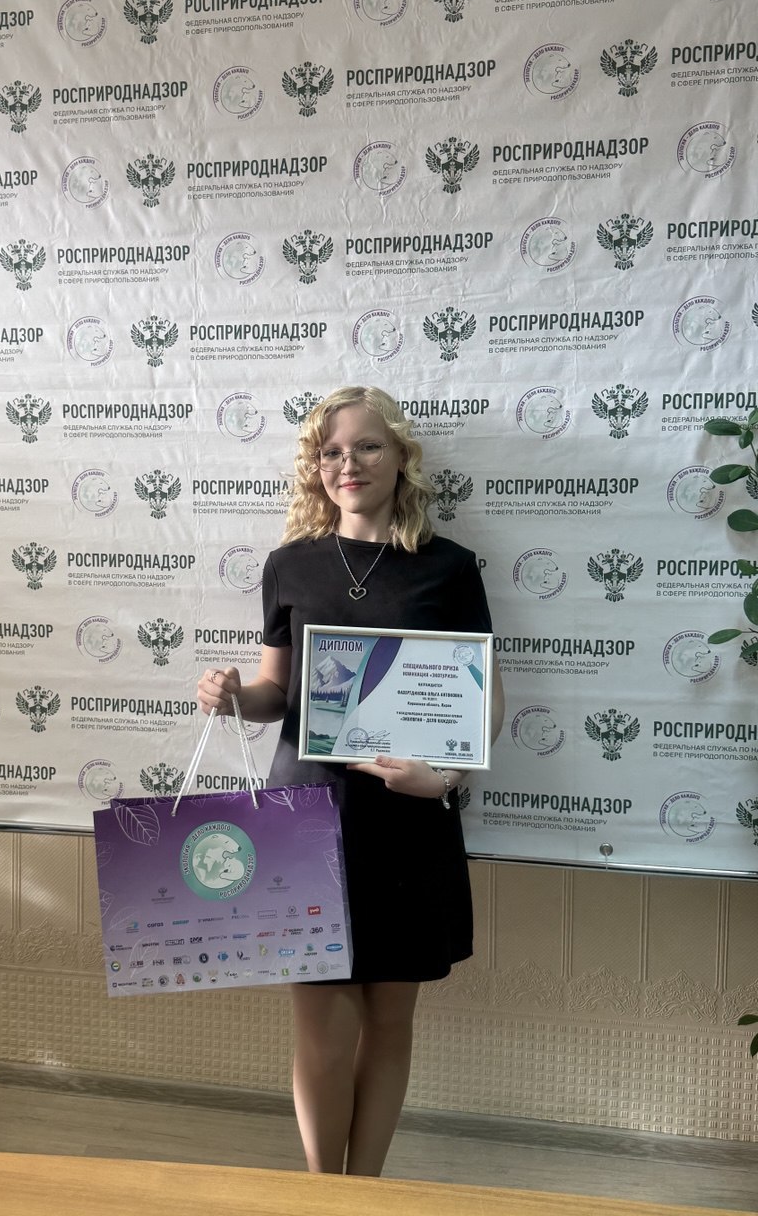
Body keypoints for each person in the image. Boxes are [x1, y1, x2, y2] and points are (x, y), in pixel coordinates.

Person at [197, 385, 504, 1177]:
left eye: (366, 446)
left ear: (400, 456)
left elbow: (485, 702)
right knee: (320, 1033)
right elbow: (276, 694)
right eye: (330, 451)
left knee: (390, 1024)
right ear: (316, 467)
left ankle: (366, 1191)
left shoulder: (450, 568)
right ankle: (321, 1194)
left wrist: (442, 780)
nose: (348, 464)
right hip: (306, 820)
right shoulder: (289, 565)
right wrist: (234, 697)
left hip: (411, 823)